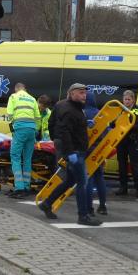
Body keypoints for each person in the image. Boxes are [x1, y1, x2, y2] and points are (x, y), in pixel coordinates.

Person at [38, 84, 102, 226]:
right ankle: (83, 216)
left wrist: (85, 123)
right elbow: (64, 130)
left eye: (85, 93)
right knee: (82, 182)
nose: (84, 95)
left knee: (69, 181)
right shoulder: (70, 110)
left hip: (72, 148)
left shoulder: (65, 105)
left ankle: (47, 204)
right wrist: (69, 151)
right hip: (75, 150)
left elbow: (52, 123)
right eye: (80, 93)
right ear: (71, 93)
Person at [6, 83, 40, 199]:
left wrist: (12, 128)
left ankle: (19, 188)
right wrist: (35, 131)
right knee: (27, 159)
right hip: (31, 130)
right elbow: (38, 117)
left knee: (15, 157)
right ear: (25, 89)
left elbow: (9, 114)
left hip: (20, 128)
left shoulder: (13, 97)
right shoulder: (32, 98)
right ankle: (26, 186)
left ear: (16, 89)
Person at [115, 90, 138, 198]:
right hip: (121, 141)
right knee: (121, 165)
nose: (126, 101)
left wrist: (126, 122)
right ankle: (123, 187)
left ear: (133, 100)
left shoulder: (137, 111)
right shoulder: (120, 110)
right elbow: (114, 123)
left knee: (135, 165)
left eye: (128, 99)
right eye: (125, 99)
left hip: (133, 141)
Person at [84, 90, 107, 215]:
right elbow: (107, 132)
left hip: (87, 150)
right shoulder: (101, 114)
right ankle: (103, 206)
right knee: (100, 178)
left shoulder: (83, 113)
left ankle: (89, 209)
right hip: (100, 150)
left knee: (88, 179)